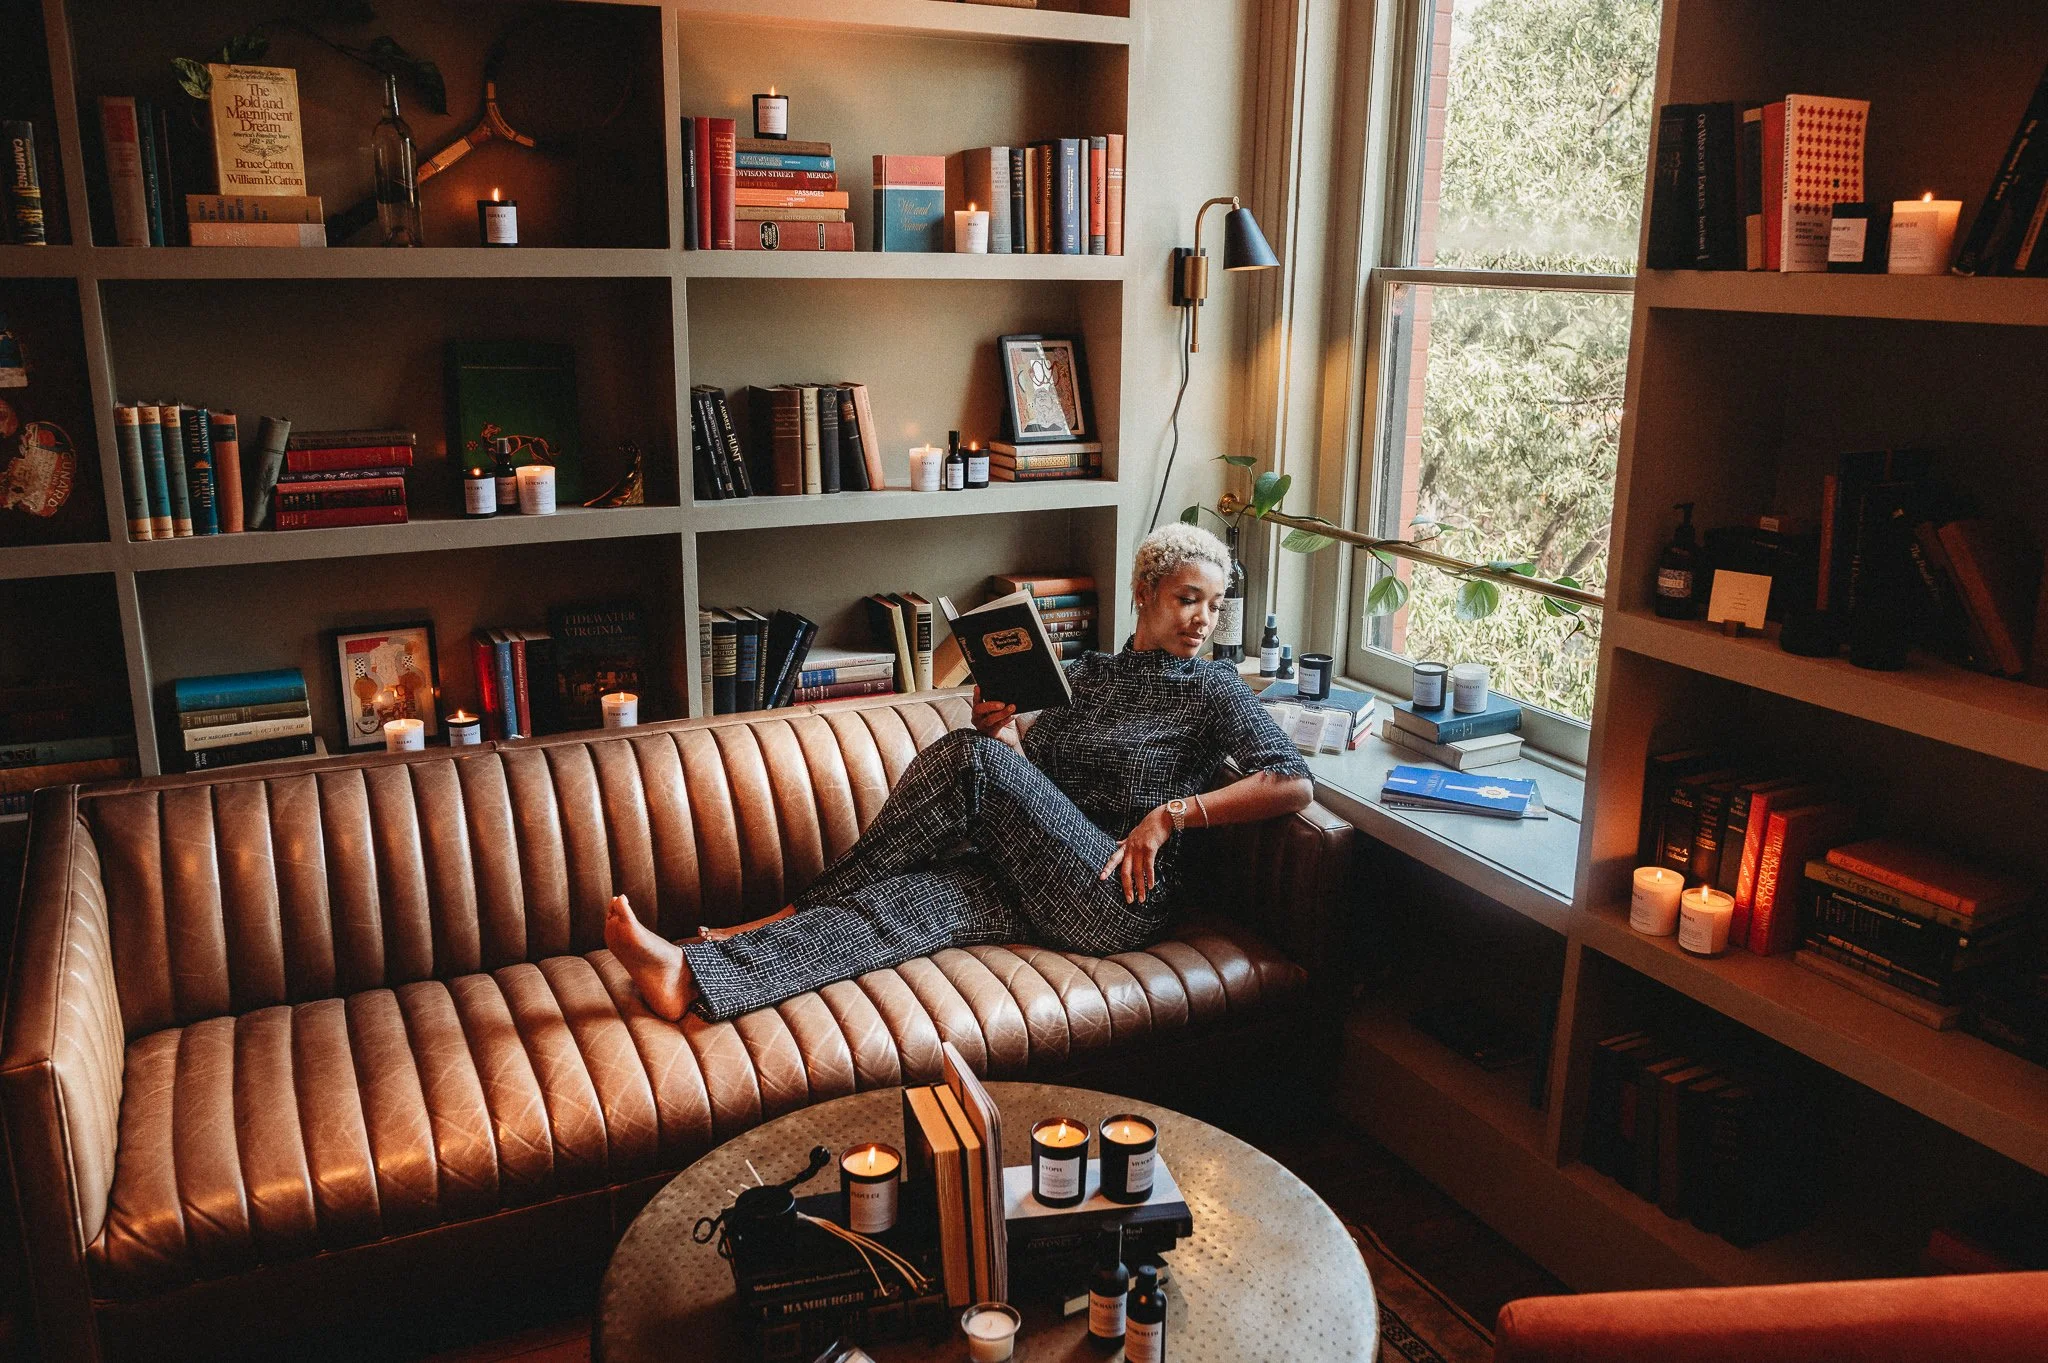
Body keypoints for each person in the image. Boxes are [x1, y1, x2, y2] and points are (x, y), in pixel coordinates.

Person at [605, 522, 1314, 1023]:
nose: (1203, 619)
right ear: (1146, 591)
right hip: (1043, 871)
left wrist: (1173, 814)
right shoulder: (1087, 674)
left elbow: (1291, 779)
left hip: (1118, 894)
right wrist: (1000, 725)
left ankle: (782, 913)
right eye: (1189, 597)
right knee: (896, 909)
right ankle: (690, 975)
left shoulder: (1211, 687)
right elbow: (1036, 774)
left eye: (1214, 605)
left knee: (971, 762)